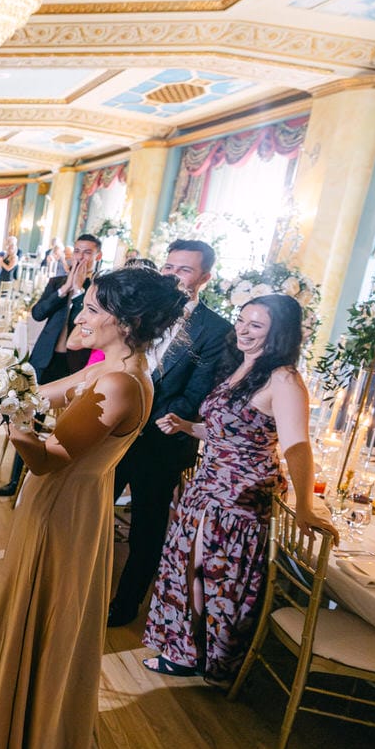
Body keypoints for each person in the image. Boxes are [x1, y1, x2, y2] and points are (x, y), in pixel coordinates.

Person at [0, 268, 187, 749]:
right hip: (69, 503)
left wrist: (9, 411)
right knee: (34, 621)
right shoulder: (110, 364)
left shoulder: (124, 384)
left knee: (44, 624)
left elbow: (50, 458)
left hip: (65, 509)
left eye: (93, 307)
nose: (80, 315)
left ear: (125, 322)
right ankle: (18, 741)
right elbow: (50, 391)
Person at [142, 294, 334, 684]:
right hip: (207, 484)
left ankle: (207, 659)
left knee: (213, 574)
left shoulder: (284, 379)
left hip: (240, 495)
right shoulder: (239, 367)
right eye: (241, 321)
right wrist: (186, 426)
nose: (243, 330)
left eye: (256, 325)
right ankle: (186, 650)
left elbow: (297, 445)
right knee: (188, 567)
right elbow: (228, 430)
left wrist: (305, 506)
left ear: (278, 333)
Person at [107, 240, 234, 627]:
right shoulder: (143, 310)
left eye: (184, 270)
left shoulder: (215, 330)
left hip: (162, 442)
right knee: (92, 511)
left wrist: (140, 413)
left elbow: (195, 394)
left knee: (147, 528)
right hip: (114, 432)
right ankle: (79, 584)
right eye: (169, 266)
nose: (172, 275)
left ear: (205, 278)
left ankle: (126, 603)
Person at [0, 233, 103, 497]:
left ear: (97, 257)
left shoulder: (97, 290)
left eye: (87, 252)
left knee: (67, 428)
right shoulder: (56, 283)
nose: (80, 257)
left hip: (75, 366)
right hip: (45, 360)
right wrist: (64, 290)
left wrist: (77, 293)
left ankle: (48, 485)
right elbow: (38, 313)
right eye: (77, 251)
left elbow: (86, 323)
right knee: (27, 418)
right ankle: (15, 481)